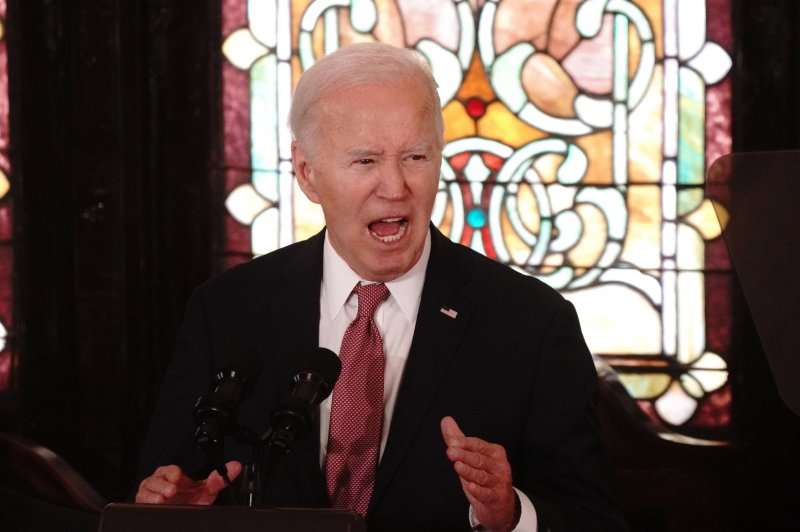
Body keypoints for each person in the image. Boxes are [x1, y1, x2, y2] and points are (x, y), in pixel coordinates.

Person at [135, 42, 627, 531]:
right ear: (308, 174)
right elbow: (170, 486)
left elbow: (595, 520)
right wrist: (173, 511)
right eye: (366, 161)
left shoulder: (531, 324)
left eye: (415, 156)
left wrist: (513, 516)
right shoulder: (227, 311)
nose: (395, 187)